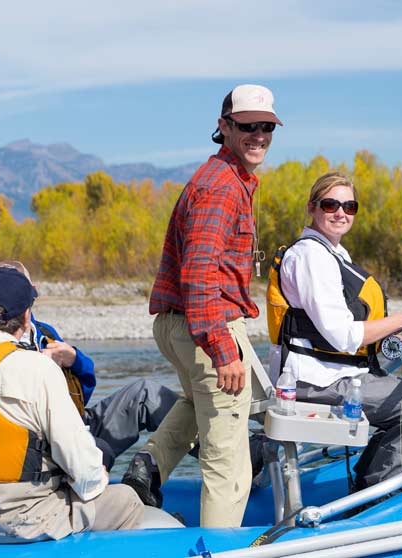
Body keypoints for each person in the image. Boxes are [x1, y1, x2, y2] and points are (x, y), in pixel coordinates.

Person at [122, 84, 283, 527]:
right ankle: (217, 548)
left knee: (196, 404)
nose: (259, 135)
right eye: (248, 126)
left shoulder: (227, 179)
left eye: (267, 126)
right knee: (229, 463)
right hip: (205, 326)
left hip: (179, 325)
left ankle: (148, 469)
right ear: (224, 127)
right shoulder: (221, 189)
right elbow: (198, 275)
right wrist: (221, 348)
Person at [0, 267, 142, 543]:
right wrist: (99, 477)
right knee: (125, 499)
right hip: (14, 518)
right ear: (26, 317)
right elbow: (84, 471)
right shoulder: (37, 367)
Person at [267, 172, 402, 490]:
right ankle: (376, 492)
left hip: (331, 373)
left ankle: (372, 478)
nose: (340, 213)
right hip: (317, 381)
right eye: (330, 204)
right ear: (312, 207)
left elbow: (331, 335)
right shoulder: (311, 257)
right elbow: (343, 336)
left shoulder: (332, 255)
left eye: (349, 206)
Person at [0, 260, 180, 470]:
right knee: (98, 451)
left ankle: (218, 456)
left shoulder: (45, 333)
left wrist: (74, 360)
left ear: (33, 293)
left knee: (147, 394)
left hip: (78, 423)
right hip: (42, 444)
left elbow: (84, 393)